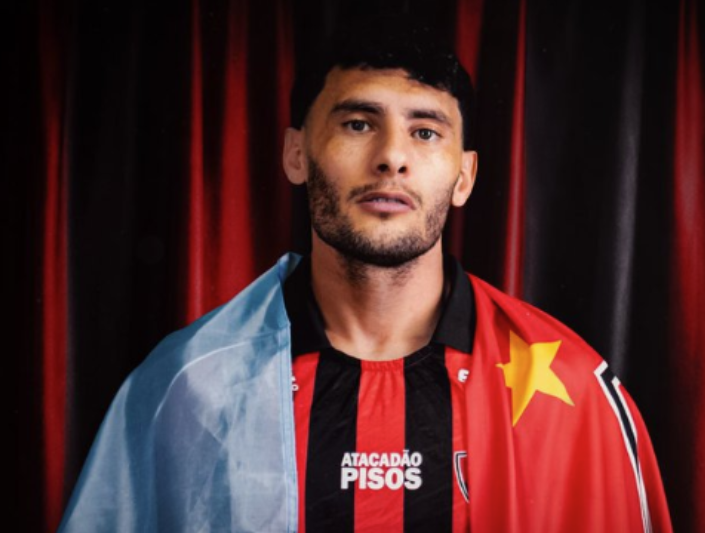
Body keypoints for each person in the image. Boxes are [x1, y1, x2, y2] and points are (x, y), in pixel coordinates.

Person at [58, 21, 672, 533]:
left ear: (464, 176)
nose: (391, 156)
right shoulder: (189, 385)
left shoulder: (575, 393)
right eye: (357, 123)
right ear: (296, 154)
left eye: (425, 132)